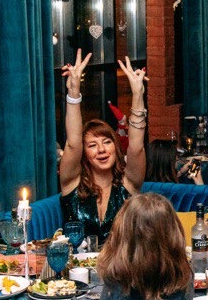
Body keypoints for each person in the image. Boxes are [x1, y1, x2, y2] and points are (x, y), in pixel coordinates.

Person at [59, 49, 147, 242]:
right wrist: (73, 93)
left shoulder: (128, 184)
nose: (101, 150)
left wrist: (137, 94)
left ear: (116, 148)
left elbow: (136, 147)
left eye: (107, 142)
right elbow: (73, 143)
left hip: (122, 261)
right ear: (84, 153)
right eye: (92, 145)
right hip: (75, 262)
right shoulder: (72, 183)